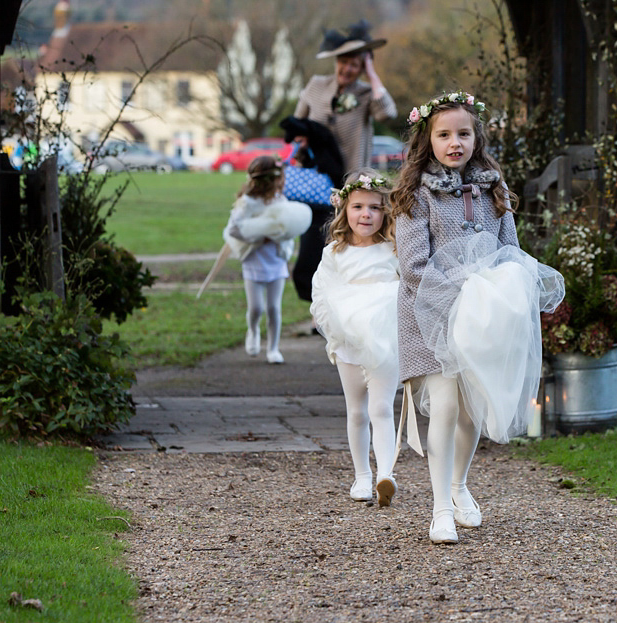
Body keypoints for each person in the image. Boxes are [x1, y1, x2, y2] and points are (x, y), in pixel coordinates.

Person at [389, 92, 564, 544]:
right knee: (445, 405)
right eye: (444, 135)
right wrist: (462, 294)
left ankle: (459, 484)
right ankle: (439, 509)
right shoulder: (415, 195)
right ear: (428, 140)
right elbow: (413, 267)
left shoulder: (493, 189)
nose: (455, 143)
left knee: (471, 410)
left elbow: (510, 252)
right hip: (428, 314)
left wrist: (506, 292)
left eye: (463, 134)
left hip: (482, 320)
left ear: (476, 137)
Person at [310, 169, 399, 506]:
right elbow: (321, 293)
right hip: (348, 336)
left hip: (385, 336)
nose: (366, 214)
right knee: (357, 410)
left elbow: (408, 287)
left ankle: (385, 475)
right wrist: (330, 322)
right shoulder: (335, 252)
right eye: (358, 206)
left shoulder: (393, 249)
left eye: (375, 208)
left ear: (385, 211)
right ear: (344, 210)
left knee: (382, 407)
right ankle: (362, 474)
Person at [294, 20, 397, 175]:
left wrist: (372, 75)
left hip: (352, 177)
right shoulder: (316, 84)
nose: (347, 69)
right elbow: (296, 124)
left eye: (354, 65)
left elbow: (387, 114)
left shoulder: (367, 93)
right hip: (315, 174)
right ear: (336, 62)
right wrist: (303, 137)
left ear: (361, 69)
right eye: (343, 62)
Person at [223, 156, 295, 364]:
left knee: (274, 308)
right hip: (254, 259)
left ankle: (273, 348)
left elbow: (288, 226)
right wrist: (259, 236)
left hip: (275, 259)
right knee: (256, 308)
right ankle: (253, 329)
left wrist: (280, 235)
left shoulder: (280, 201)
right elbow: (233, 230)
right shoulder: (246, 203)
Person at [279, 116, 345, 303]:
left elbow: (335, 174)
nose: (298, 144)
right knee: (310, 257)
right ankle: (315, 307)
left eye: (300, 140)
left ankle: (318, 308)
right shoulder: (307, 154)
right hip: (307, 211)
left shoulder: (324, 156)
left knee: (314, 258)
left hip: (321, 213)